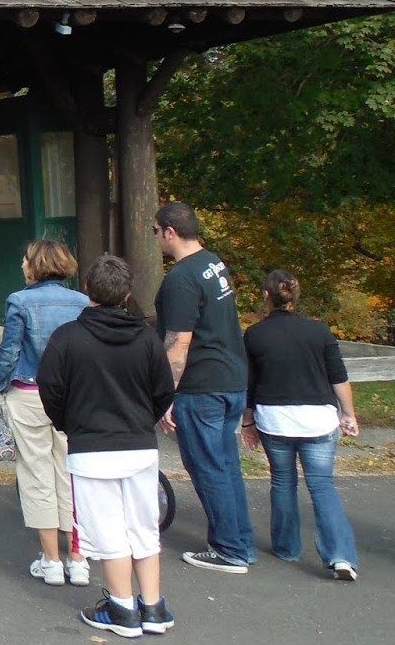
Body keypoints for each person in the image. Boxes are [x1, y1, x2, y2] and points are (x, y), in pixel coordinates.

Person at [40, 254, 176, 639]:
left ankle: (121, 607)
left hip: (90, 445)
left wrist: (69, 423)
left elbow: (51, 389)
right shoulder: (147, 338)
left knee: (108, 531)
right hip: (137, 443)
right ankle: (153, 605)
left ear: (87, 291)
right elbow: (163, 389)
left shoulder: (67, 338)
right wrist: (141, 420)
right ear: (128, 294)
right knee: (144, 527)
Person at [152, 201, 256, 573]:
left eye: (156, 231)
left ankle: (229, 550)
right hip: (231, 379)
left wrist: (166, 394)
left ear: (170, 231)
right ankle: (241, 542)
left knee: (208, 468)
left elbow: (178, 344)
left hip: (201, 386)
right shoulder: (214, 263)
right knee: (226, 466)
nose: (157, 238)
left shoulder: (182, 278)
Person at [241, 269, 361, 581]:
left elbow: (249, 385)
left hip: (275, 420)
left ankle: (286, 546)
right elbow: (338, 376)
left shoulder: (255, 335)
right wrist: (348, 414)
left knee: (283, 481)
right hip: (318, 420)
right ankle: (341, 556)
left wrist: (247, 423)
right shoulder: (319, 332)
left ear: (266, 296)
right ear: (296, 297)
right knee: (322, 485)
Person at [0, 239, 90, 587]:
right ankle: (78, 559)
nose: (22, 263)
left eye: (25, 258)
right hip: (73, 397)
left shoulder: (19, 301)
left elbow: (10, 350)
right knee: (71, 474)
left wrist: (2, 384)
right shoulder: (81, 302)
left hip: (30, 392)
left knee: (36, 474)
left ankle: (51, 561)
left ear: (35, 264)